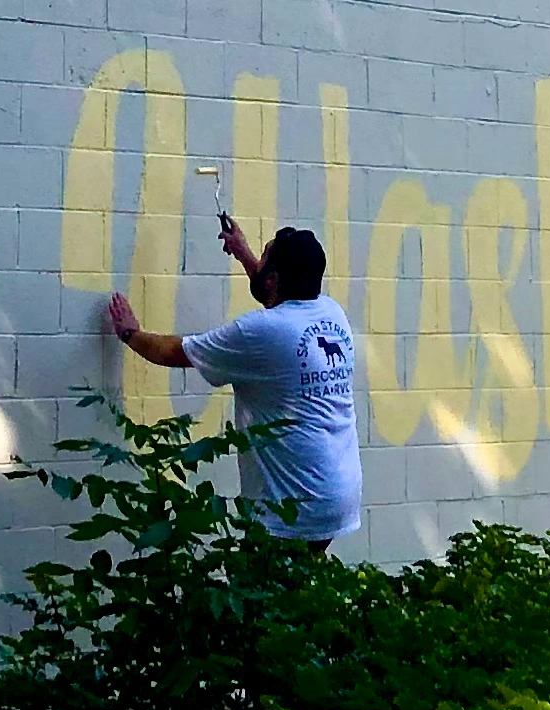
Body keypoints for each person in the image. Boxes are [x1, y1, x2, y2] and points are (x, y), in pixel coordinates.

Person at [105, 217, 363, 546]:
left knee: (257, 593)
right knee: (300, 590)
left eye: (265, 256)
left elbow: (173, 353)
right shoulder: (331, 313)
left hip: (294, 504)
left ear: (273, 279)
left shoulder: (261, 331)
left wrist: (130, 333)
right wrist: (244, 254)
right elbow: (278, 305)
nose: (260, 258)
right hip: (336, 495)